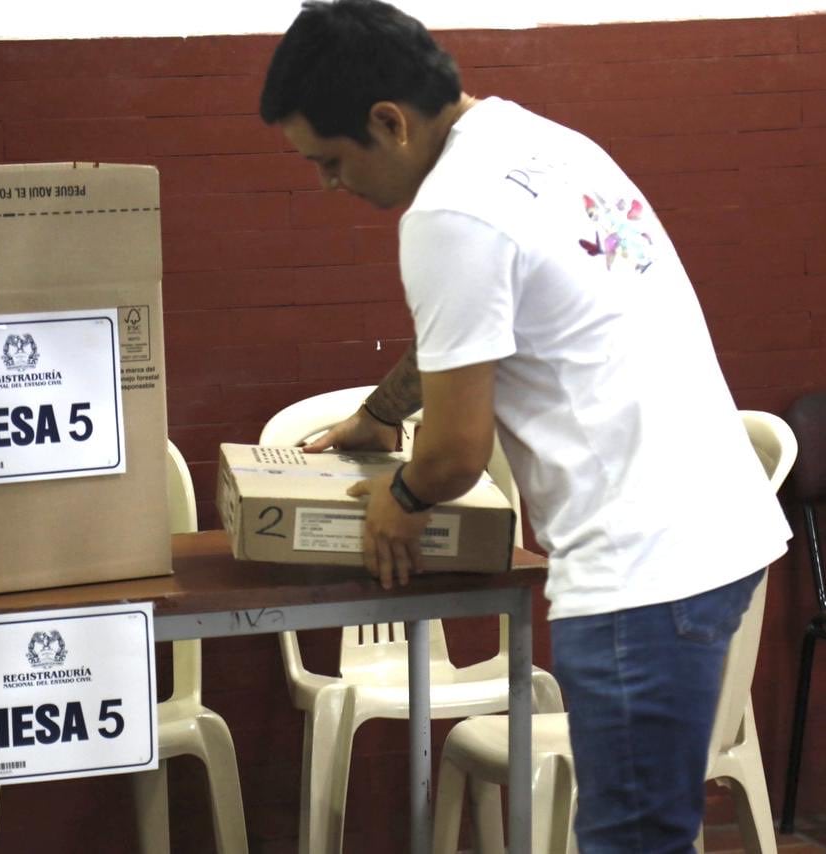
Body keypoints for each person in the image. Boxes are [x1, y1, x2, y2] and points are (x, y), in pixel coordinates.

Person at [259, 2, 793, 851]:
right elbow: (474, 335)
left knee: (631, 839)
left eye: (330, 162)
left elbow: (456, 455)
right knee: (654, 831)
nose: (330, 186)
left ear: (387, 123)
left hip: (639, 572)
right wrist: (380, 414)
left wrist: (398, 497)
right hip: (712, 537)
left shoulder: (448, 216)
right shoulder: (534, 142)